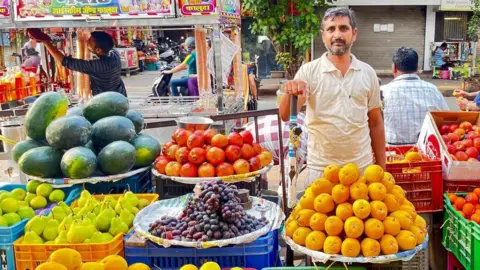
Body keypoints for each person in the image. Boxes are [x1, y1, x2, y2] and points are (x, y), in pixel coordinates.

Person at [279, 7, 386, 187]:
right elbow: (285, 115)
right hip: (321, 170)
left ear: (354, 34)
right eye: (331, 29)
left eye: (343, 28)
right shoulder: (309, 71)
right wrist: (291, 91)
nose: (337, 34)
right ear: (323, 36)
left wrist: (381, 170)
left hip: (361, 168)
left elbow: (375, 123)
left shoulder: (368, 73)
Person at [382, 47, 449, 145]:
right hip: (428, 153)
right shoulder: (432, 90)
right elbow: (446, 119)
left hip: (393, 153)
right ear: (417, 67)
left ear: (394, 68)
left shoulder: (383, 91)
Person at [34, 31, 127, 96]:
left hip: (107, 103)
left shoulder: (98, 66)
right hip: (121, 96)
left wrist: (46, 42)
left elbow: (65, 61)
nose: (87, 44)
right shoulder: (115, 54)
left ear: (98, 50)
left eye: (89, 44)